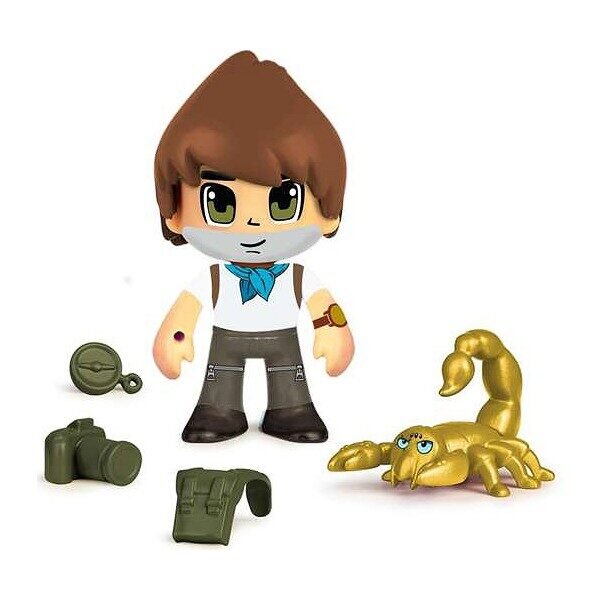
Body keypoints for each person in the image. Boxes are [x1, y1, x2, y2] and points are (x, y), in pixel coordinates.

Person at [153, 51, 354, 443]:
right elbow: (186, 312)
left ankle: (292, 411)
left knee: (291, 381)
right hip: (226, 338)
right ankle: (218, 411)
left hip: (284, 339)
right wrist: (177, 335)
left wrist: (331, 331)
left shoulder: (297, 277)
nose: (251, 225)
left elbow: (324, 309)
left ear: (330, 213)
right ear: (174, 214)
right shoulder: (215, 278)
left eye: (283, 203)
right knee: (220, 382)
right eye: (219, 203)